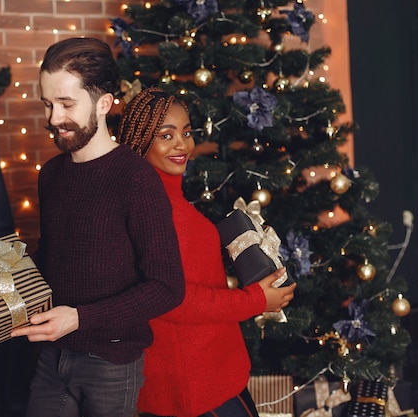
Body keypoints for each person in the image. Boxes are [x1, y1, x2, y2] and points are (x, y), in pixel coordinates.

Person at [10, 39, 185, 417]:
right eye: (48, 104)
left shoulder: (136, 180)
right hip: (51, 354)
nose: (54, 118)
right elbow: (55, 258)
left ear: (104, 103)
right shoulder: (52, 174)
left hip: (111, 362)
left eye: (67, 104)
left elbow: (168, 287)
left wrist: (78, 317)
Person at [118, 87, 297, 417]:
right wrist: (257, 300)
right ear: (140, 141)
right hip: (195, 382)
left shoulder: (155, 199)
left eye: (186, 132)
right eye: (165, 135)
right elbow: (174, 297)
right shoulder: (160, 210)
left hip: (198, 372)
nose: (182, 145)